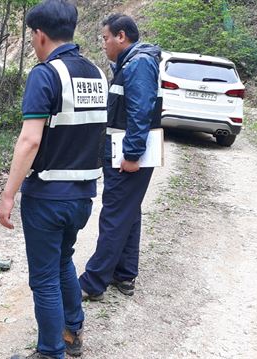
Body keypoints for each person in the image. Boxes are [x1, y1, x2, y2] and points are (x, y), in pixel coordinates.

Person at [0, 1, 108, 358]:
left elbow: (30, 140)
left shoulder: (45, 74)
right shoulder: (96, 73)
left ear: (39, 34)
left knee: (44, 277)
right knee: (63, 262)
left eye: (31, 35)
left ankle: (50, 351)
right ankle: (72, 333)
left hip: (47, 197)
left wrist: (8, 195)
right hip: (82, 196)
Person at [78, 14, 162, 300]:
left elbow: (141, 112)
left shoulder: (138, 64)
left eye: (105, 38)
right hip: (122, 151)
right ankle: (125, 275)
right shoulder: (132, 62)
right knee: (128, 211)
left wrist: (132, 153)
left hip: (128, 155)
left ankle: (93, 282)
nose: (103, 44)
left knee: (114, 214)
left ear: (121, 36)